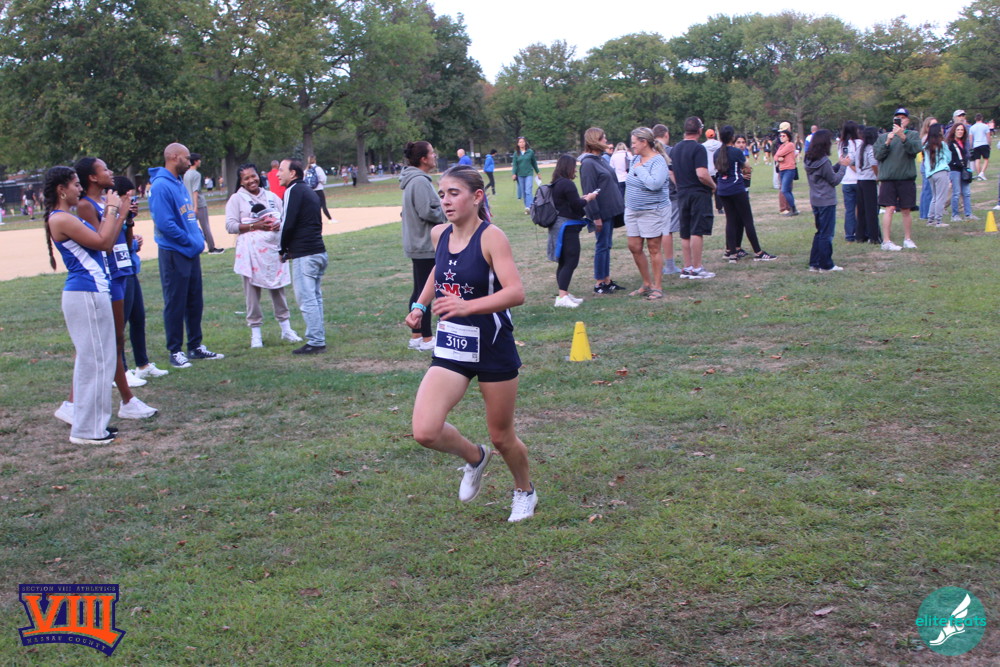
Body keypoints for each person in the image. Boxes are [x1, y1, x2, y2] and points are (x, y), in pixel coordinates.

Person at [404, 165, 536, 523]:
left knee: (502, 437)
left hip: (492, 345)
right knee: (425, 431)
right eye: (442, 194)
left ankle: (524, 490)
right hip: (452, 346)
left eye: (454, 193)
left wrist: (467, 306)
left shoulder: (492, 237)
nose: (445, 201)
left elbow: (516, 292)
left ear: (477, 197)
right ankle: (474, 457)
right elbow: (439, 270)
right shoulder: (439, 234)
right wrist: (420, 305)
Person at [42, 166, 124, 445]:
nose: (80, 189)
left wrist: (116, 213)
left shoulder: (68, 217)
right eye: (75, 184)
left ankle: (93, 425)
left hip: (92, 292)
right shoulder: (61, 218)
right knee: (95, 362)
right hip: (85, 294)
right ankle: (87, 430)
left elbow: (106, 242)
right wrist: (111, 209)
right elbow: (103, 241)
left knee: (101, 360)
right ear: (61, 190)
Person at [73, 158, 157, 420]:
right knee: (107, 341)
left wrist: (128, 221)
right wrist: (119, 213)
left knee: (116, 339)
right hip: (106, 276)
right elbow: (104, 241)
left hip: (122, 271)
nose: (110, 172)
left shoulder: (106, 202)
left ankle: (113, 401)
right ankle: (123, 399)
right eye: (104, 169)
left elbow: (123, 239)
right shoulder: (86, 206)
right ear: (92, 178)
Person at [149, 143, 225, 368]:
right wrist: (189, 240)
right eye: (186, 157)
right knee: (175, 302)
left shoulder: (178, 182)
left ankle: (195, 346)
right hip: (174, 252)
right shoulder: (161, 185)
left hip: (190, 252)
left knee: (194, 301)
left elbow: (188, 217)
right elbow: (165, 224)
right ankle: (175, 350)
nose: (189, 161)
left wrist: (197, 235)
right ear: (173, 157)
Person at [225, 163, 301, 348]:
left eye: (253, 176)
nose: (251, 180)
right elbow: (230, 225)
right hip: (250, 253)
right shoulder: (237, 199)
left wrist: (278, 224)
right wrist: (255, 226)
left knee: (278, 288)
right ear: (241, 182)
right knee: (252, 293)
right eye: (246, 178)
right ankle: (256, 334)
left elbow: (285, 217)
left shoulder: (271, 196)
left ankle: (286, 329)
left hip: (272, 251)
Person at [112, 175, 170, 382]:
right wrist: (125, 223)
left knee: (138, 318)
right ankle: (122, 371)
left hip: (130, 269)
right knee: (120, 323)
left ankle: (142, 364)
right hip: (119, 273)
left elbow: (127, 243)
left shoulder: (123, 217)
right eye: (128, 197)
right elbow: (113, 242)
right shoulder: (109, 216)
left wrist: (130, 222)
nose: (132, 201)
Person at [400, 141, 447, 350]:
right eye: (432, 153)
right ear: (423, 159)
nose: (435, 156)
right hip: (424, 244)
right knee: (425, 291)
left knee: (420, 289)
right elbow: (427, 211)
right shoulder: (419, 181)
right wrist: (446, 210)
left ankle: (417, 336)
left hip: (419, 243)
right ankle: (427, 339)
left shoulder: (415, 179)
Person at [278, 158, 327, 355]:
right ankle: (318, 337)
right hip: (318, 251)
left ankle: (316, 341)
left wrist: (282, 249)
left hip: (305, 254)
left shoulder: (293, 190)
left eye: (281, 170)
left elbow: (287, 223)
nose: (278, 174)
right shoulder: (308, 190)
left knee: (307, 299)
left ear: (293, 173)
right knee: (315, 297)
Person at [714, 127, 776, 262]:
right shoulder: (736, 152)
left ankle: (732, 254)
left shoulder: (717, 153)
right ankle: (758, 252)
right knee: (747, 220)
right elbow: (747, 167)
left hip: (722, 190)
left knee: (730, 221)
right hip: (736, 189)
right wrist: (744, 172)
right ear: (732, 138)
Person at [624, 127, 670, 299]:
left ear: (644, 142)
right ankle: (646, 283)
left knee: (653, 248)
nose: (632, 146)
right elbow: (632, 180)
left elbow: (654, 184)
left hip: (652, 210)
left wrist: (640, 170)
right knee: (634, 247)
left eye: (634, 142)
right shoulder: (635, 159)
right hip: (632, 210)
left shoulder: (658, 161)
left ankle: (657, 287)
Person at [579, 128, 626, 295]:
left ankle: (607, 280)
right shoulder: (588, 164)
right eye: (603, 138)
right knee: (602, 245)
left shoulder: (600, 160)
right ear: (595, 140)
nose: (606, 140)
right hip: (601, 213)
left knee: (607, 245)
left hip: (610, 211)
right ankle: (599, 282)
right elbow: (589, 191)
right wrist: (596, 217)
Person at [548, 155, 598, 307]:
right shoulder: (567, 184)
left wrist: (580, 199)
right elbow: (577, 205)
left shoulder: (556, 183)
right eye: (574, 167)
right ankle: (562, 297)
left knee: (563, 261)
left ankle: (563, 294)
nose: (575, 170)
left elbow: (568, 202)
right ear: (568, 167)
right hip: (567, 227)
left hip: (558, 227)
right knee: (571, 260)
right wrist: (589, 198)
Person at [670, 117, 717, 280]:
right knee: (697, 230)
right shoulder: (698, 148)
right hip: (697, 193)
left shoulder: (675, 148)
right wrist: (713, 185)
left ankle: (687, 266)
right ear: (700, 130)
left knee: (685, 231)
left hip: (682, 193)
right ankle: (697, 268)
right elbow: (702, 174)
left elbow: (670, 171)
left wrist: (680, 184)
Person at [804, 129, 852, 272]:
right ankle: (826, 265)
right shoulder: (824, 161)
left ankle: (815, 263)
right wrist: (844, 167)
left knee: (820, 232)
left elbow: (826, 173)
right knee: (827, 234)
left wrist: (838, 164)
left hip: (815, 199)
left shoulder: (809, 159)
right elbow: (834, 180)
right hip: (826, 201)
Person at [874, 107, 921, 251]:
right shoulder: (883, 137)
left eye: (903, 117)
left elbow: (915, 150)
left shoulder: (913, 135)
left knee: (906, 209)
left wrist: (903, 137)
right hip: (888, 179)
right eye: (898, 118)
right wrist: (888, 141)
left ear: (907, 120)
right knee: (889, 208)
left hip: (906, 177)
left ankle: (908, 239)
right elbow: (878, 155)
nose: (901, 120)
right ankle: (886, 241)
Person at [652, 124, 681, 276]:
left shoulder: (650, 151)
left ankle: (659, 263)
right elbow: (673, 172)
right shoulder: (670, 151)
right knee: (667, 230)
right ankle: (669, 265)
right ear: (666, 134)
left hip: (654, 195)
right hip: (670, 194)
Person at [184, 153, 224, 254]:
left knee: (191, 226)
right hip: (199, 204)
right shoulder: (196, 174)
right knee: (205, 226)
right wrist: (196, 206)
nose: (200, 162)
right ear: (195, 161)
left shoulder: (186, 174)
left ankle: (191, 246)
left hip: (188, 204)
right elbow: (195, 191)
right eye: (199, 160)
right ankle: (211, 248)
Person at [855, 126, 881, 244]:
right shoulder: (871, 148)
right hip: (869, 180)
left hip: (860, 180)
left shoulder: (860, 148)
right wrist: (878, 176)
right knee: (871, 210)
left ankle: (860, 235)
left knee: (861, 210)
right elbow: (873, 164)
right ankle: (874, 236)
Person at [922, 123, 951, 228]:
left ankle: (930, 220)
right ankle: (939, 221)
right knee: (941, 197)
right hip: (941, 171)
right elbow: (948, 158)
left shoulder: (926, 146)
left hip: (930, 173)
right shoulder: (942, 144)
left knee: (934, 197)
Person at [838, 121, 862, 242]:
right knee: (861, 208)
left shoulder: (841, 144)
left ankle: (849, 234)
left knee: (849, 210)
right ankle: (861, 231)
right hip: (858, 179)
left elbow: (842, 160)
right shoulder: (859, 143)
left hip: (846, 180)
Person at [946, 122, 975, 222]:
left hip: (964, 169)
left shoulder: (964, 143)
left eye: (962, 130)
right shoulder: (950, 143)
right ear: (954, 131)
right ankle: (955, 215)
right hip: (954, 170)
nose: (960, 132)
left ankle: (968, 214)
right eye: (958, 130)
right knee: (956, 193)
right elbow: (948, 158)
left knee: (966, 193)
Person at [917, 116, 938, 224]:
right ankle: (925, 214)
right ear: (927, 127)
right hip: (927, 166)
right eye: (932, 125)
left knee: (930, 190)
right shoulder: (926, 138)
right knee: (927, 190)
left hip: (932, 165)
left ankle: (928, 212)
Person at [511, 136, 539, 214]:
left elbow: (534, 163)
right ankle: (527, 207)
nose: (522, 143)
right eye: (520, 142)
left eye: (523, 142)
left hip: (529, 173)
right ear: (518, 144)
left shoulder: (530, 152)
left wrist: (538, 172)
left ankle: (529, 207)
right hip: (520, 175)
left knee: (528, 191)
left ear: (525, 142)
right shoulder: (516, 153)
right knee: (523, 192)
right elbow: (515, 165)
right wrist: (514, 173)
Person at [774, 129, 799, 216]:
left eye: (783, 136)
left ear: (788, 137)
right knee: (787, 190)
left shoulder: (790, 145)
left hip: (789, 169)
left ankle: (793, 209)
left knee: (784, 190)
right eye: (780, 136)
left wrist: (778, 156)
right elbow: (775, 156)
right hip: (782, 170)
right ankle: (793, 209)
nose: (781, 137)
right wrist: (778, 158)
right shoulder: (781, 146)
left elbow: (780, 153)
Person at [305, 156, 332, 221]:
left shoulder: (306, 169)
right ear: (315, 160)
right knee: (323, 205)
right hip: (318, 189)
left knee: (313, 206)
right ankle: (330, 218)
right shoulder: (317, 168)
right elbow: (323, 179)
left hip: (310, 190)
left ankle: (312, 219)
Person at [969, 113, 991, 179]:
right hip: (984, 144)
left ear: (975, 119)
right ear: (982, 118)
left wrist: (971, 147)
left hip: (976, 145)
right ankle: (982, 173)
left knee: (977, 160)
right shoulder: (985, 126)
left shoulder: (972, 127)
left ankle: (979, 175)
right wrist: (989, 144)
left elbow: (971, 139)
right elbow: (988, 137)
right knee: (986, 159)